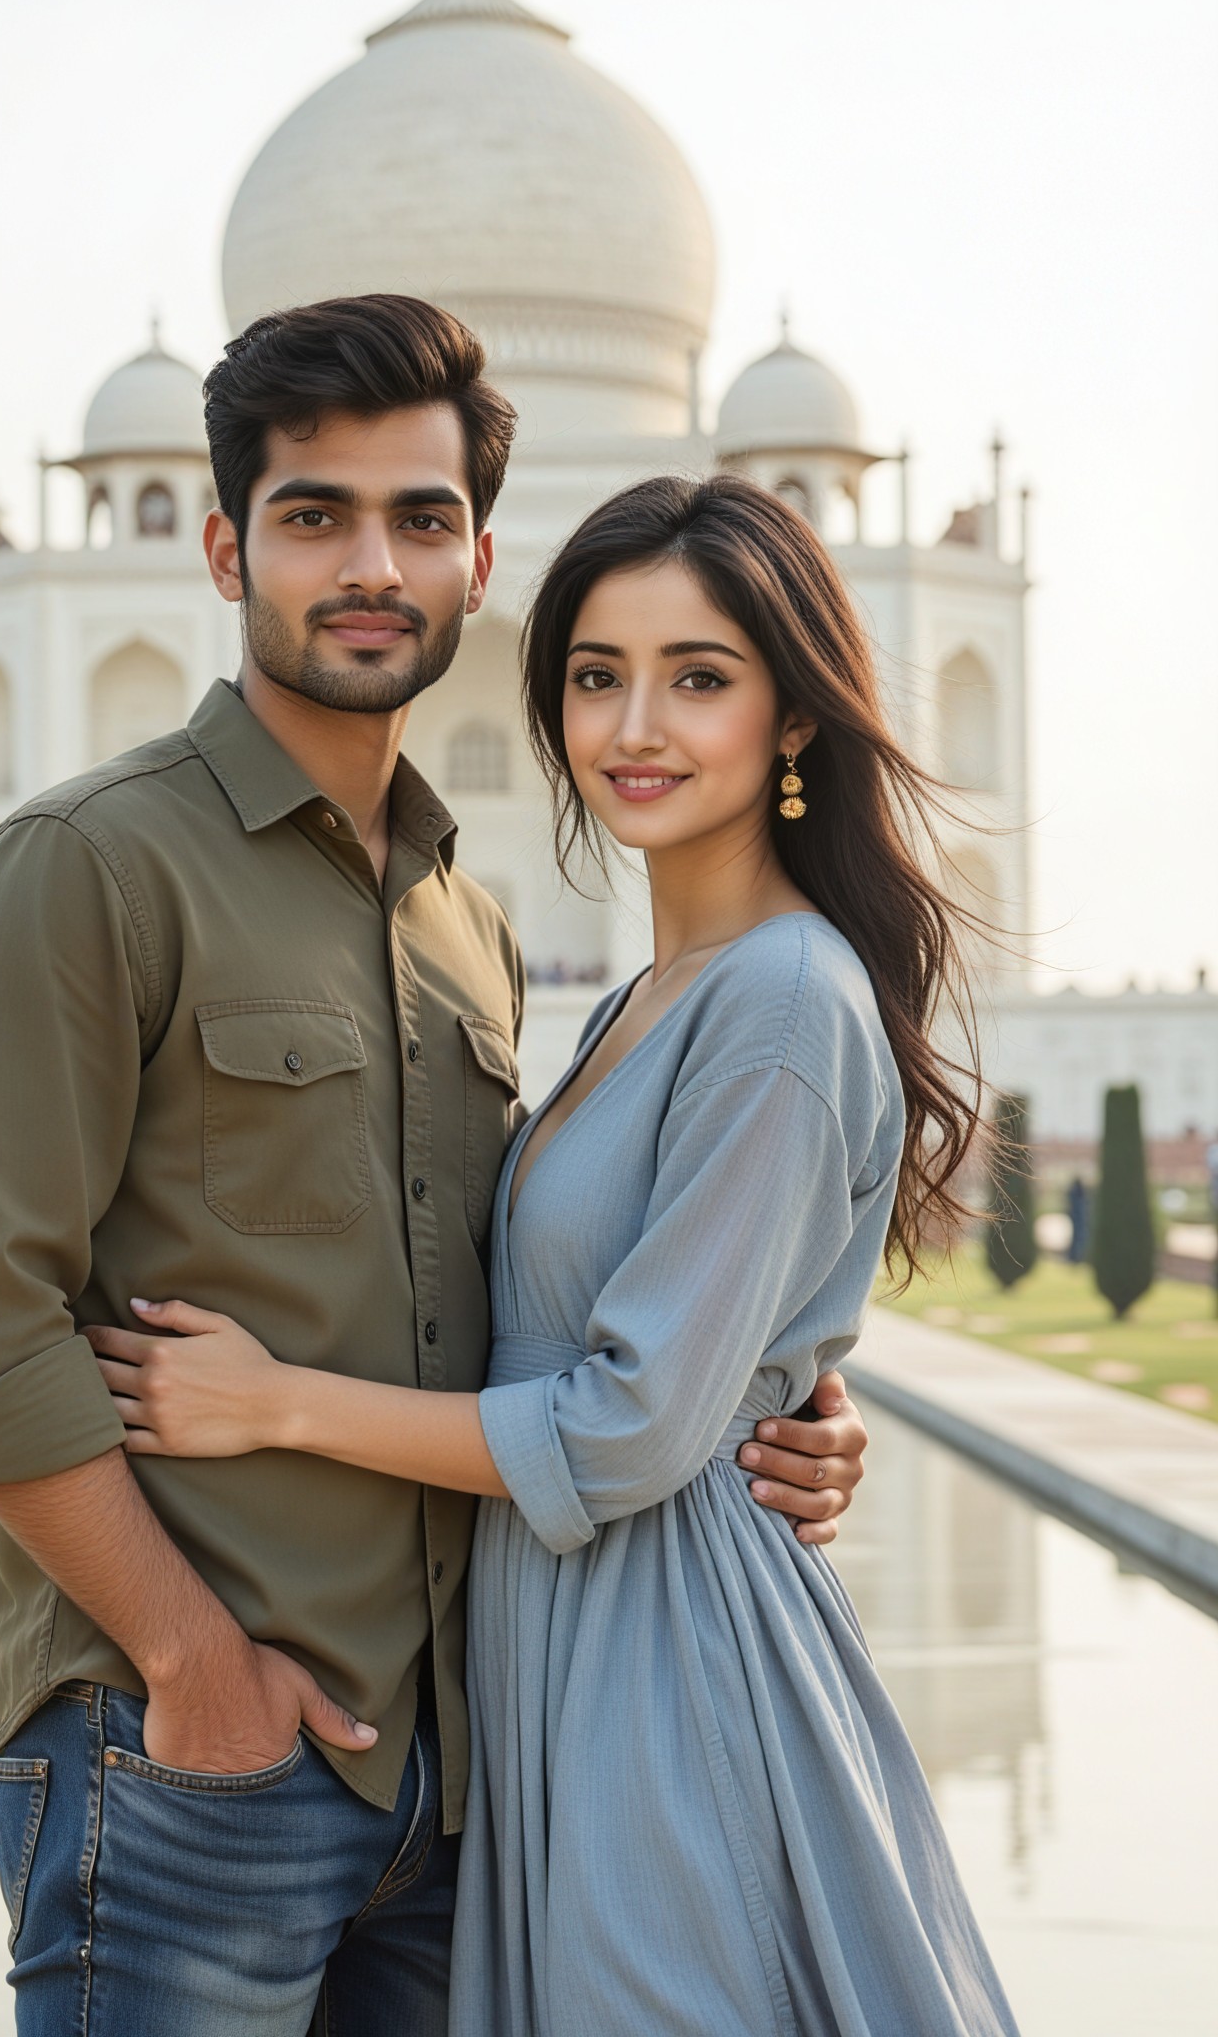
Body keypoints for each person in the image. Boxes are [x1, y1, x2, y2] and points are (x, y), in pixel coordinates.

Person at [0, 298, 870, 2035]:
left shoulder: (467, 929)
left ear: (482, 558)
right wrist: (197, 1668)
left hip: (452, 1775)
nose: (370, 565)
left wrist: (779, 1400)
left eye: (418, 519)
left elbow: (547, 1311)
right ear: (218, 543)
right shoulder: (86, 871)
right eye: (312, 513)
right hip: (196, 1759)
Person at [93, 472, 1019, 2034]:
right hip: (570, 1644)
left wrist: (278, 1404)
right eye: (598, 676)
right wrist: (778, 1398)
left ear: (794, 719)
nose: (636, 726)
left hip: (669, 1663)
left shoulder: (784, 997)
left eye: (700, 678)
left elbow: (627, 1422)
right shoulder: (639, 1004)